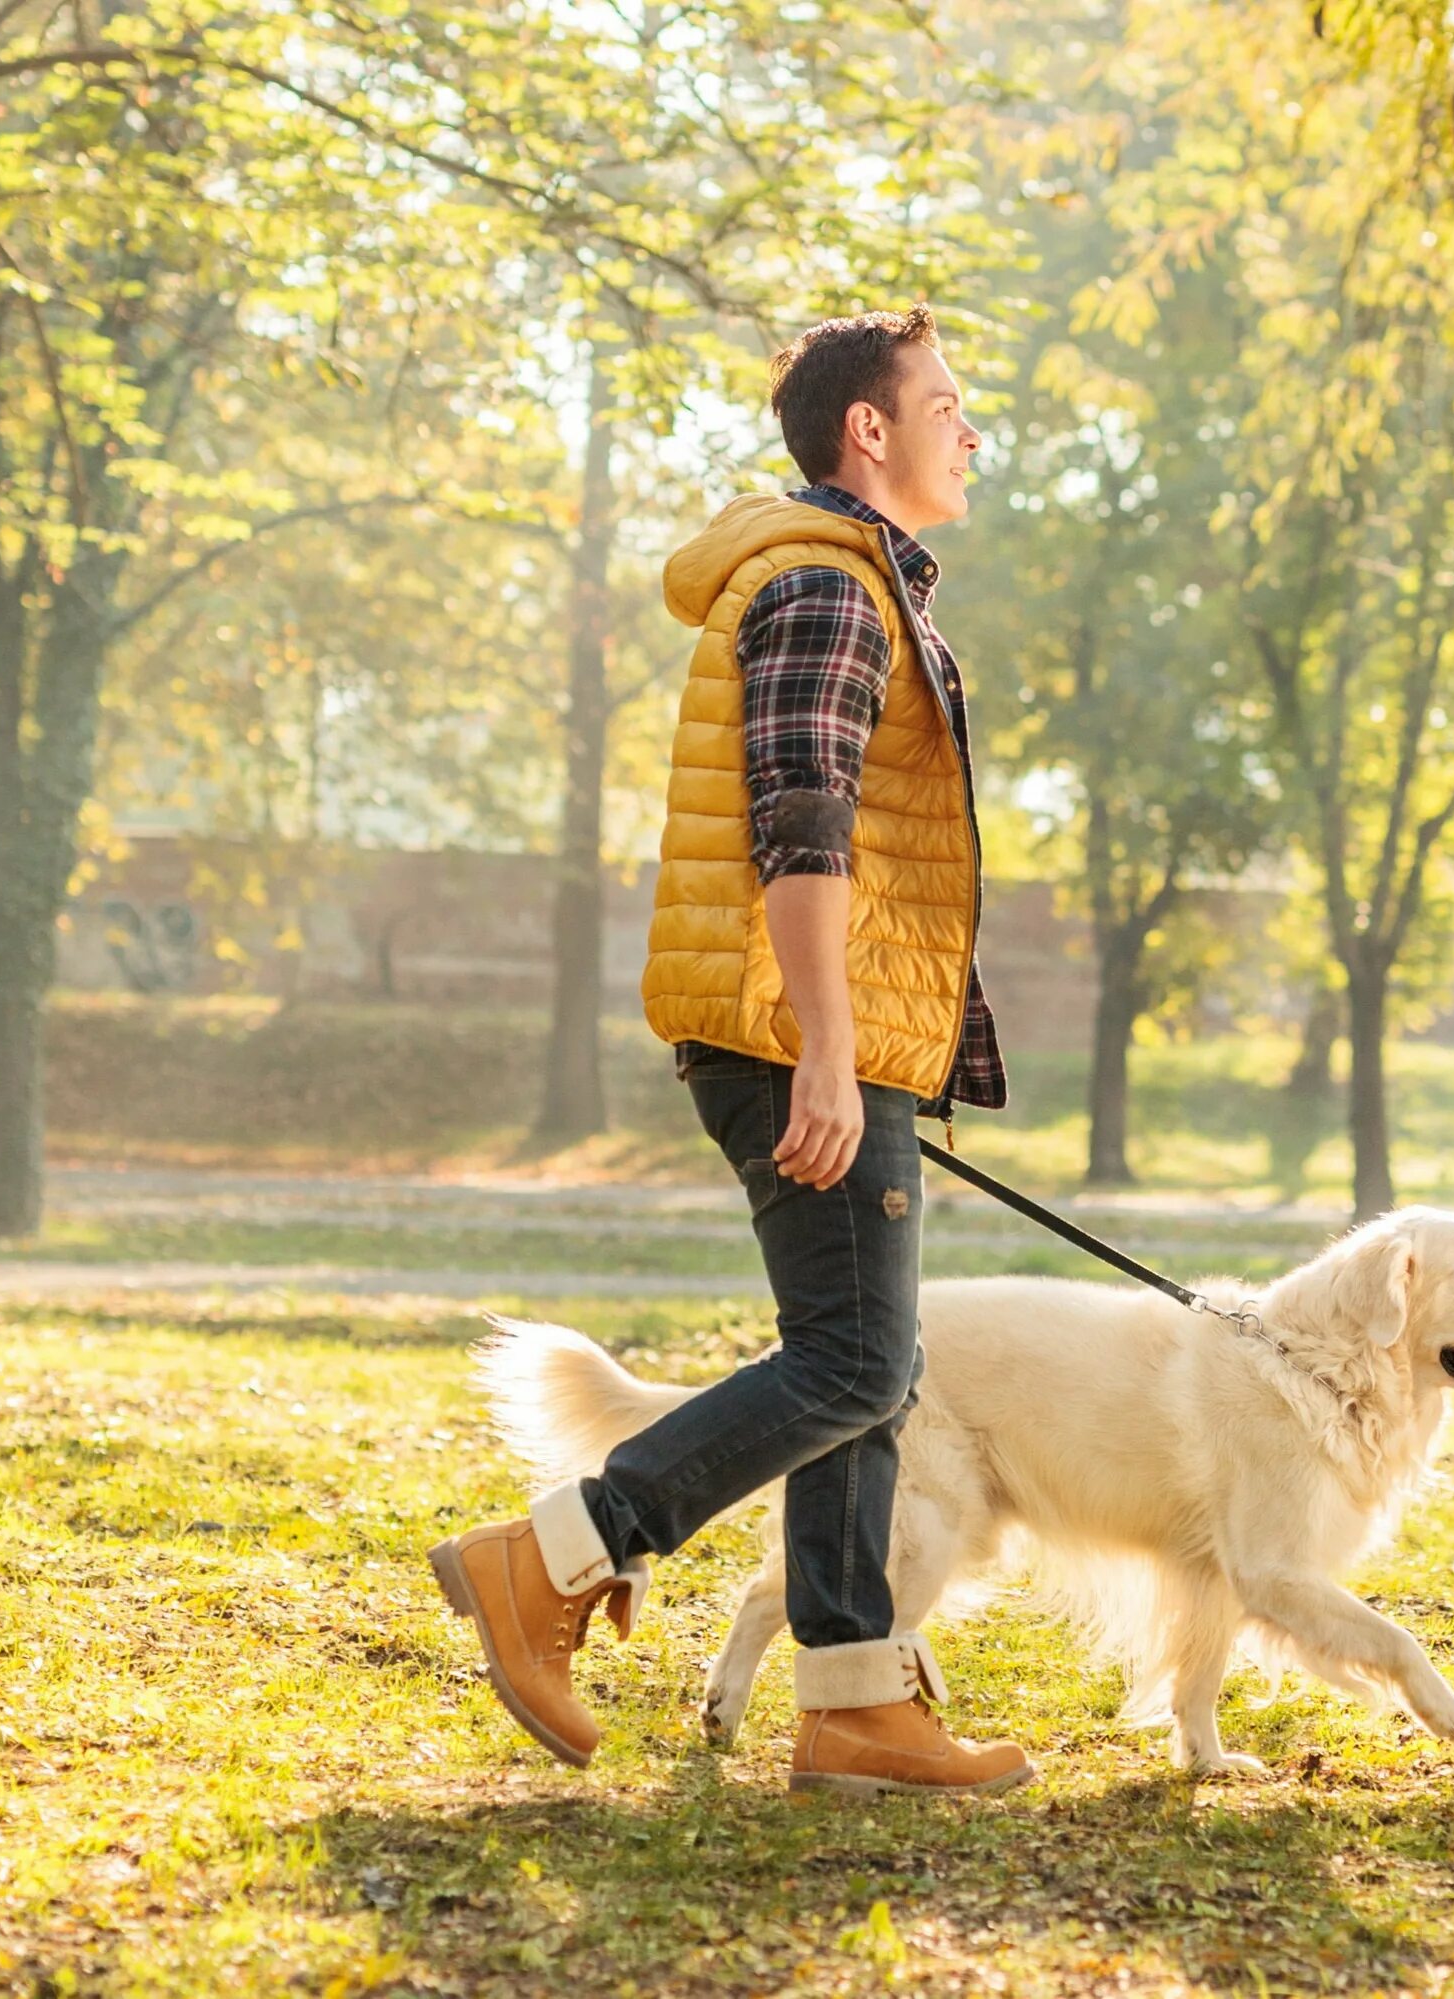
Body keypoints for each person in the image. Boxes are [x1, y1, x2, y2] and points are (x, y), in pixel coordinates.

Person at [429, 307, 1032, 1798]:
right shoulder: (829, 586)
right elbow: (802, 818)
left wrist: (884, 1048)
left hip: (829, 1038)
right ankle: (552, 1556)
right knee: (859, 1360)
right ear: (868, 431)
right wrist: (832, 1051)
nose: (972, 430)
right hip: (790, 1039)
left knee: (871, 1376)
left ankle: (851, 1704)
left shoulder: (857, 581)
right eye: (946, 404)